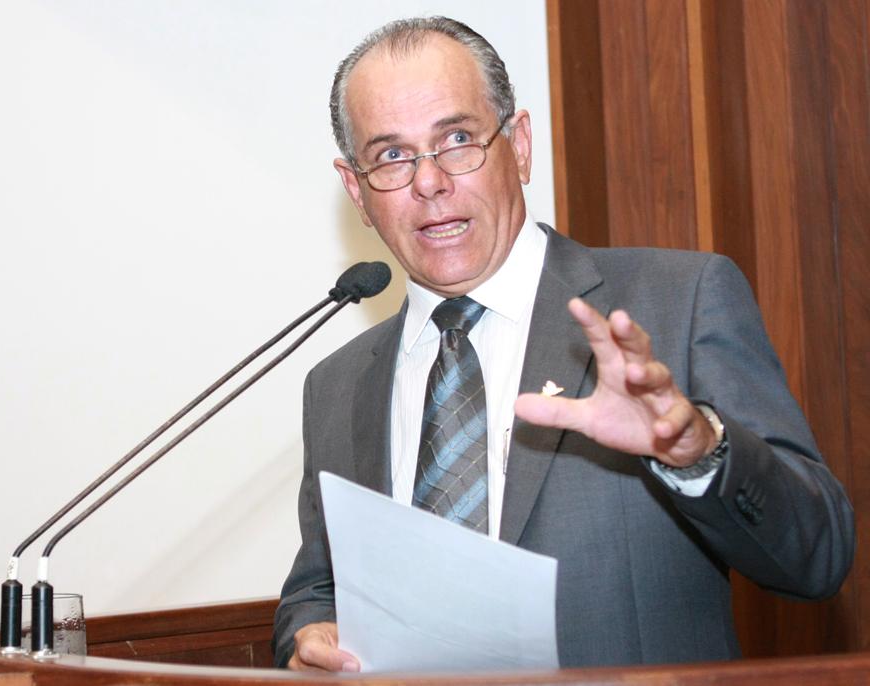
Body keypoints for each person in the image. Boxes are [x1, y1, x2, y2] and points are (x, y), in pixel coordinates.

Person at [273, 16, 854, 671]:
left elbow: (819, 556)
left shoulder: (677, 302)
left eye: (457, 139)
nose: (429, 182)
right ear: (356, 189)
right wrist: (307, 636)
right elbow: (317, 590)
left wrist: (699, 451)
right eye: (391, 156)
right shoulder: (337, 384)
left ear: (519, 145)